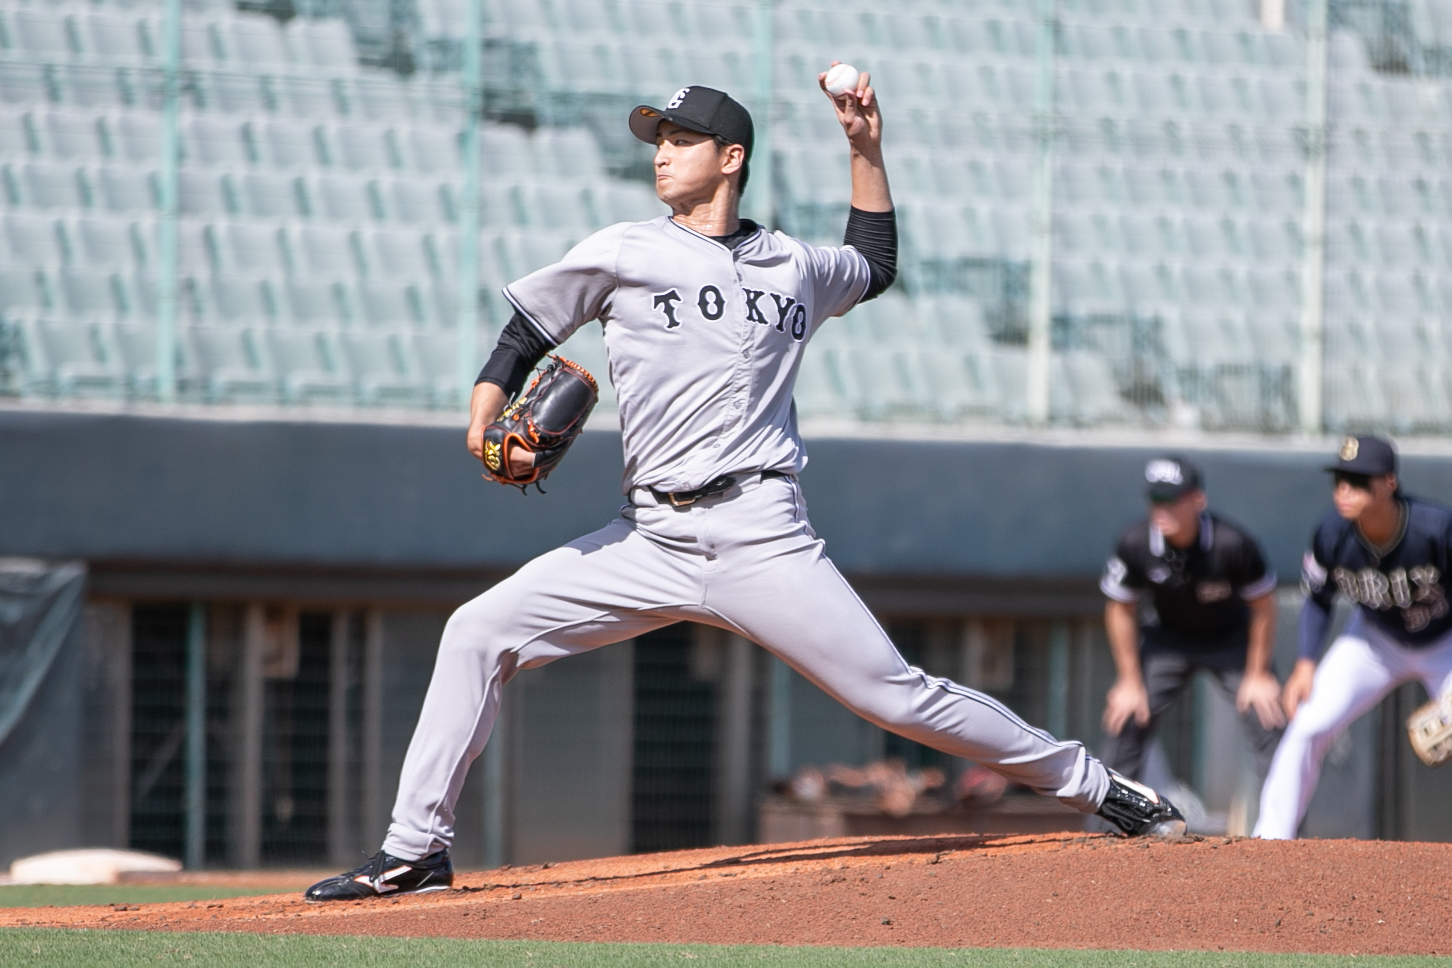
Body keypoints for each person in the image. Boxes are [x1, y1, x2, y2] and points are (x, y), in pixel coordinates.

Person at [305, 76, 1183, 902]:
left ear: (731, 158)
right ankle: (415, 849)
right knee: (475, 631)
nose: (662, 152)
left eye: (682, 139)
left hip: (763, 533)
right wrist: (482, 409)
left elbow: (874, 263)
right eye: (658, 138)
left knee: (895, 695)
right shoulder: (625, 249)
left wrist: (864, 147)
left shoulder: (793, 264)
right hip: (647, 537)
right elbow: (526, 330)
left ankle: (1100, 787)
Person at [1255, 435, 1452, 839]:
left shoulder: (1435, 529)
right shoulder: (1331, 535)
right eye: (1340, 480)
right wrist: (1305, 664)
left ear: (1390, 483)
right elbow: (1317, 598)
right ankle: (1270, 837)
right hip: (1374, 642)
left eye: (1359, 481)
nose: (1345, 490)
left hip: (1445, 642)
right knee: (1308, 725)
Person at [1099, 457, 1284, 791]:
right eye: (1155, 500)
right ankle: (1105, 819)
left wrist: (1258, 674)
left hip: (1232, 642)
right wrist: (1128, 681)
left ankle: (1285, 823)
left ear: (1198, 500)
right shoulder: (1135, 542)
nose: (1162, 509)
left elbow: (1264, 607)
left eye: (1171, 499)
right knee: (1125, 717)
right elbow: (1120, 609)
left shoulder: (1232, 543)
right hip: (1167, 641)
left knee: (1268, 717)